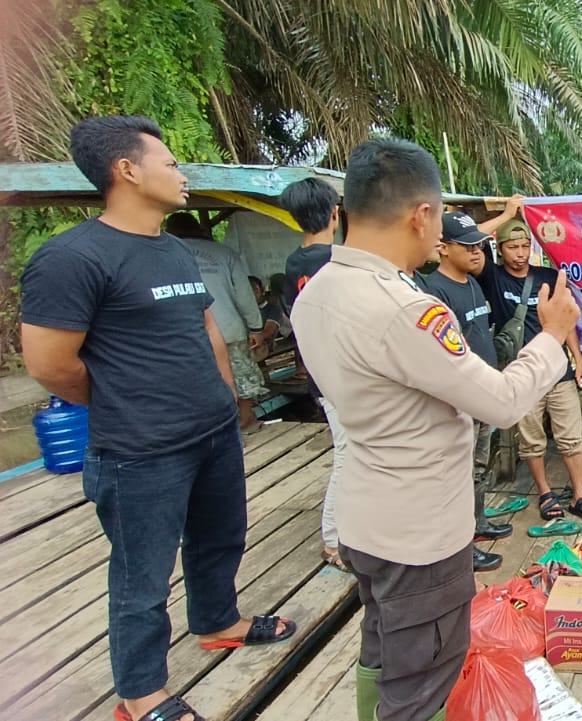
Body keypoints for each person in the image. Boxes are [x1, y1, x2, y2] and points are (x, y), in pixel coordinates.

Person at [289, 137, 579, 721]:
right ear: (422, 216)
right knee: (423, 679)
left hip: (365, 517)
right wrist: (552, 337)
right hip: (419, 534)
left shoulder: (316, 291)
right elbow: (499, 401)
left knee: (382, 646)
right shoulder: (405, 308)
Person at [20, 115, 294, 721]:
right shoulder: (71, 258)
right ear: (127, 170)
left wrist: (223, 400)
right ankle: (140, 692)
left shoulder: (170, 248)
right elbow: (49, 364)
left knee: (220, 538)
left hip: (213, 430)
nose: (182, 174)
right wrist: (122, 401)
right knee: (141, 577)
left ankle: (219, 621)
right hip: (139, 450)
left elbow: (204, 330)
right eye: (170, 163)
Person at [476, 214, 582, 523]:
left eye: (526, 246)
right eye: (512, 247)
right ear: (499, 249)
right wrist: (504, 215)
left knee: (571, 437)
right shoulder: (492, 277)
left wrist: (579, 361)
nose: (520, 254)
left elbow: (565, 322)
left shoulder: (548, 276)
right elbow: (464, 240)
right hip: (522, 375)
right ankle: (544, 492)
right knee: (531, 441)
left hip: (558, 372)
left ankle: (579, 494)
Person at [420, 211, 511, 572]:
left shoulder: (471, 282)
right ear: (442, 248)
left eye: (480, 244)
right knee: (458, 473)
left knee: (477, 467)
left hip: (483, 390)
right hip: (460, 400)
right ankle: (462, 545)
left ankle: (478, 522)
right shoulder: (433, 291)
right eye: (468, 245)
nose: (477, 252)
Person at [279, 177, 348, 571]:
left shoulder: (295, 263)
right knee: (348, 455)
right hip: (340, 374)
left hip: (319, 372)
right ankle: (333, 541)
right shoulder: (336, 260)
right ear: (335, 213)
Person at [165, 212, 269, 431]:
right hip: (229, 327)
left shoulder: (164, 255)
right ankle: (244, 419)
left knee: (198, 382)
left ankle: (211, 426)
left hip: (188, 334)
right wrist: (256, 327)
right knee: (242, 376)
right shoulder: (224, 254)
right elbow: (244, 295)